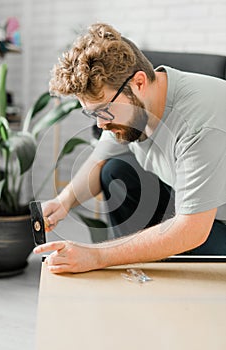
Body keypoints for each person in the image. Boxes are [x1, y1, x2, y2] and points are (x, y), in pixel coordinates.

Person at [33, 23, 226, 273]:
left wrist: (97, 255)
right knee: (115, 170)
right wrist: (62, 203)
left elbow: (192, 231)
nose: (102, 124)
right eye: (93, 114)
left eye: (104, 111)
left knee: (168, 241)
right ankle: (135, 270)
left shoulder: (200, 124)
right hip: (195, 209)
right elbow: (99, 160)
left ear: (139, 82)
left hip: (209, 223)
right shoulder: (132, 107)